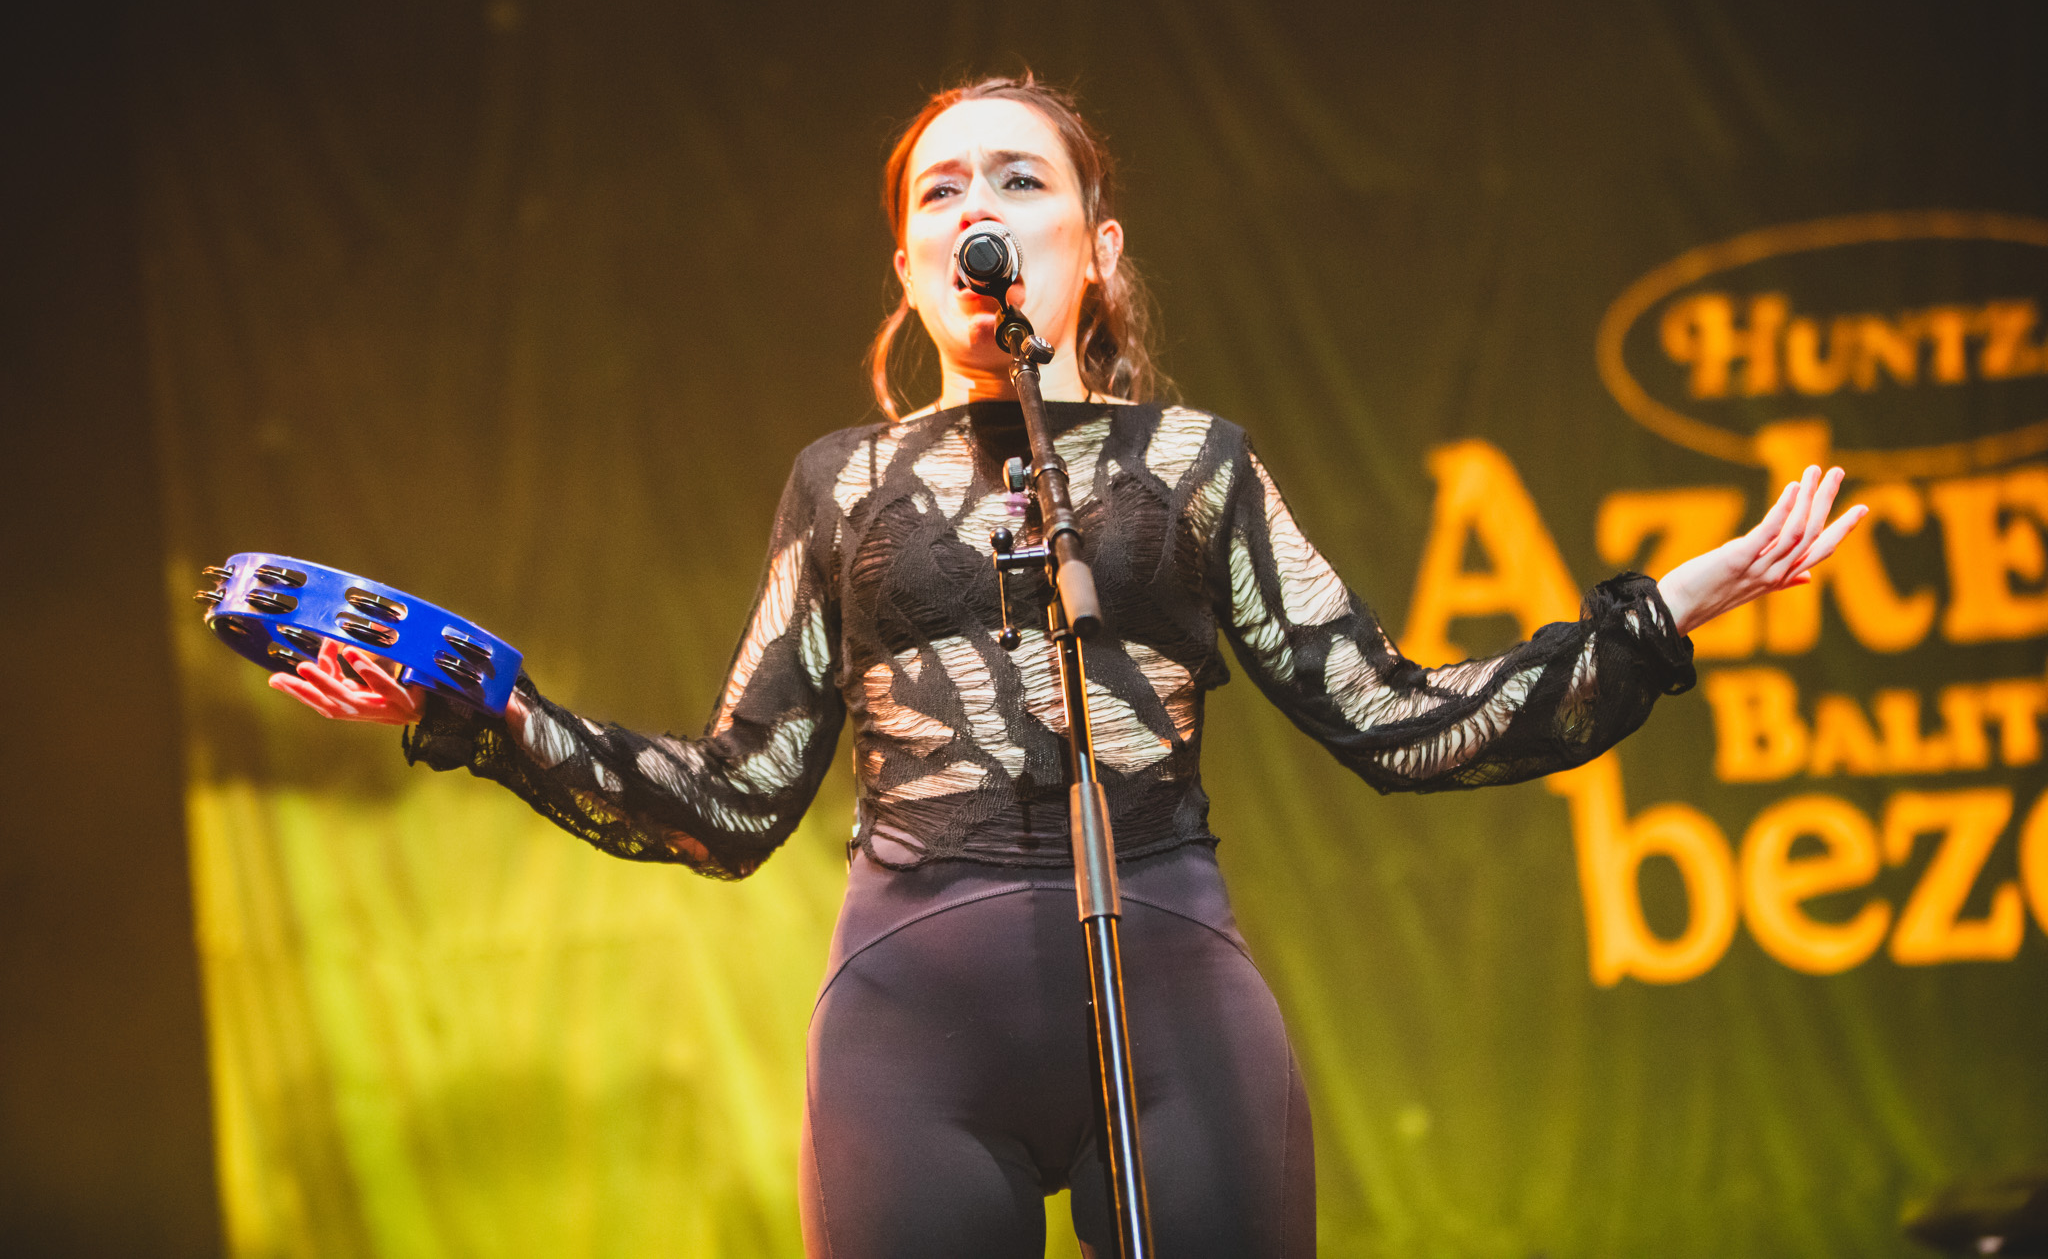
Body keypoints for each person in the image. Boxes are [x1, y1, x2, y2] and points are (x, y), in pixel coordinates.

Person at [269, 75, 1865, 1258]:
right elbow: (734, 800)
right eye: (940, 189)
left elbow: (1394, 719)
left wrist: (1662, 613)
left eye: (1018, 178)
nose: (977, 206)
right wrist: (485, 715)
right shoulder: (842, 485)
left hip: (1172, 1005)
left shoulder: (1195, 465)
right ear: (911, 266)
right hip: (911, 1034)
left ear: (1093, 248)